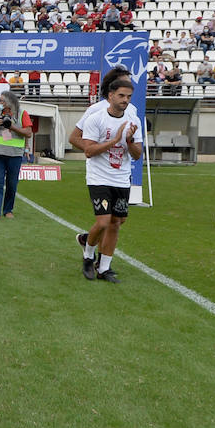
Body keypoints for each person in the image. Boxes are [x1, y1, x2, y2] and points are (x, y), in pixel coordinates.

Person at [74, 74, 144, 282]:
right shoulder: (96, 117)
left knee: (116, 223)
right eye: (121, 95)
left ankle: (104, 268)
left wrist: (129, 141)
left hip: (121, 178)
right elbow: (88, 151)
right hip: (98, 177)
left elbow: (137, 154)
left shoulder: (134, 120)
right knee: (103, 222)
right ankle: (88, 255)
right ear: (111, 95)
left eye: (129, 96)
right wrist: (115, 139)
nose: (125, 100)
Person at [0, 89, 32, 219]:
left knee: (12, 183)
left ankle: (8, 210)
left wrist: (13, 127)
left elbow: (28, 133)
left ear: (9, 102)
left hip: (15, 154)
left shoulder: (22, 114)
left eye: (1, 100)